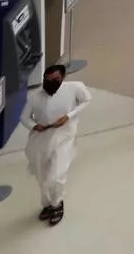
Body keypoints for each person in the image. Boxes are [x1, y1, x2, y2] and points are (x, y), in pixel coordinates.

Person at [25, 63, 90, 226]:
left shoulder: (74, 88)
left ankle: (57, 203)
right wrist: (35, 126)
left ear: (63, 78)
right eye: (48, 79)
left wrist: (69, 115)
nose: (51, 82)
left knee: (57, 175)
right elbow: (24, 117)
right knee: (41, 175)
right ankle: (47, 204)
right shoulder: (35, 96)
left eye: (56, 79)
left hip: (64, 137)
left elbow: (87, 99)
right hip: (41, 139)